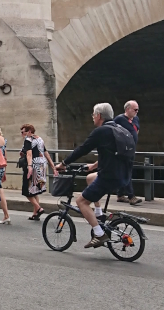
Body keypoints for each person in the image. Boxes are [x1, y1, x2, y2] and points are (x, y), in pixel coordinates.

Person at [57, 103, 133, 248]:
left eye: (93, 114)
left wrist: (64, 163)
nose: (92, 117)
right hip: (124, 177)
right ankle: (98, 213)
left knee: (81, 202)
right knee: (90, 178)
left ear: (99, 116)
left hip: (109, 177)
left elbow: (82, 149)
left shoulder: (101, 131)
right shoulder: (121, 130)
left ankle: (99, 234)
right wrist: (93, 166)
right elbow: (112, 154)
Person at [19, 124, 56, 220]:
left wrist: (30, 167)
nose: (22, 134)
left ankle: (39, 208)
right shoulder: (40, 139)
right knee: (35, 190)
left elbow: (29, 154)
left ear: (29, 132)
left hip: (33, 166)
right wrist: (53, 166)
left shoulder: (28, 140)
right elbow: (46, 153)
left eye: (23, 132)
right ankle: (35, 214)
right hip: (42, 166)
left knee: (26, 190)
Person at [114, 100, 143, 205]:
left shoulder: (136, 119)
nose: (137, 112)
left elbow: (136, 130)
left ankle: (120, 195)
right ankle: (131, 196)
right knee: (126, 172)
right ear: (127, 109)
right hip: (123, 151)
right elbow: (112, 131)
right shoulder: (119, 119)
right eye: (135, 110)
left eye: (138, 110)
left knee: (126, 171)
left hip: (131, 150)